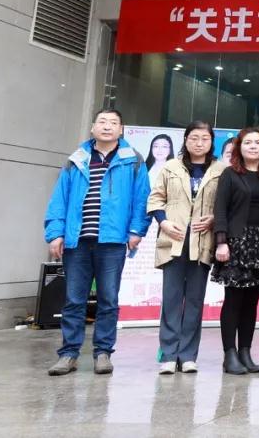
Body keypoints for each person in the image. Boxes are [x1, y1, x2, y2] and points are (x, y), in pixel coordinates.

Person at [45, 109, 151, 376]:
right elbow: (59, 199)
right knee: (74, 300)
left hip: (112, 242)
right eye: (102, 122)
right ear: (93, 127)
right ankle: (68, 354)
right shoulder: (76, 159)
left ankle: (103, 352)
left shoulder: (133, 160)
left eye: (113, 123)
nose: (107, 126)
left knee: (108, 299)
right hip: (77, 241)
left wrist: (137, 230)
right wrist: (55, 233)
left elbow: (142, 198)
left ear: (121, 129)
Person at [147, 120, 226, 374]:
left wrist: (214, 219)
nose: (199, 143)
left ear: (211, 142)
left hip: (202, 242)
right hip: (174, 240)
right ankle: (169, 355)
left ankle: (189, 355)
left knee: (194, 300)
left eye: (204, 138)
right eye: (194, 138)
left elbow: (226, 205)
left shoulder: (220, 170)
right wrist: (164, 222)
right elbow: (156, 199)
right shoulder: (171, 166)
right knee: (171, 299)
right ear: (185, 140)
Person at [211, 127, 259, 375]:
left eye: (258, 142)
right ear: (239, 147)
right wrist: (221, 241)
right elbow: (220, 209)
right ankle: (229, 354)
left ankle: (245, 352)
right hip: (236, 243)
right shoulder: (230, 174)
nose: (253, 146)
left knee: (251, 302)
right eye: (248, 142)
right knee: (233, 301)